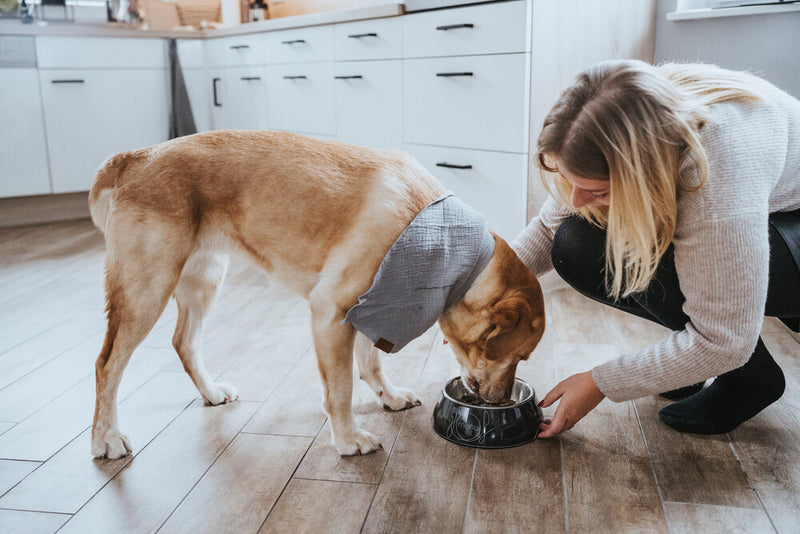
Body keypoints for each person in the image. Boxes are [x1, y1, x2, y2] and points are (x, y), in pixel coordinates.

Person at [511, 59, 800, 438]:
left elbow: (726, 342)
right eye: (570, 182)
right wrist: (483, 289)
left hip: (788, 222)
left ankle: (751, 381)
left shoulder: (714, 169)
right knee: (576, 242)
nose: (577, 200)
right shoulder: (629, 110)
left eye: (597, 191)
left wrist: (600, 383)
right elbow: (550, 230)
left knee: (649, 262)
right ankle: (687, 359)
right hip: (767, 206)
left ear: (645, 170)